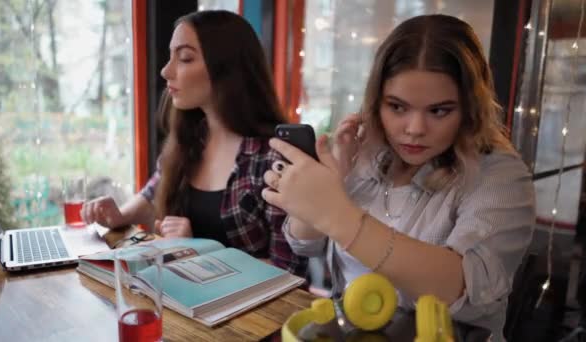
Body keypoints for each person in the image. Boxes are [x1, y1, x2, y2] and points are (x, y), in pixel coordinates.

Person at [261, 14, 535, 340]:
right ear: (377, 102)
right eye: (397, 107)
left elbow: (463, 286)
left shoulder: (500, 176)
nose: (415, 129)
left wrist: (339, 214)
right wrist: (328, 185)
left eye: (438, 111)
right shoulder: (367, 153)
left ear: (469, 108)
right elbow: (304, 244)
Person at [81, 10, 307, 276]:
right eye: (170, 57)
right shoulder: (189, 140)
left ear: (227, 69)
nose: (166, 71)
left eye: (185, 58)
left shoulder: (274, 159)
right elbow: (153, 196)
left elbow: (289, 270)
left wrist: (200, 252)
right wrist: (120, 216)